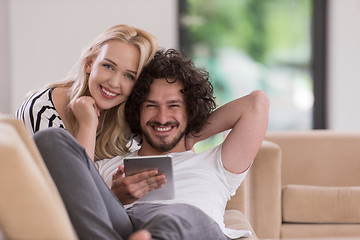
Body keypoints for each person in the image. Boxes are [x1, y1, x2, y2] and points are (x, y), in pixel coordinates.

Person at [34, 48, 269, 239]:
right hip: (123, 227)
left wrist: (192, 134)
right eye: (151, 105)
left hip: (189, 229)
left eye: (174, 106)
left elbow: (256, 104)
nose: (162, 117)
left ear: (191, 111)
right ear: (137, 110)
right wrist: (115, 198)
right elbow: (73, 201)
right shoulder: (109, 166)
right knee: (50, 139)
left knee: (178, 216)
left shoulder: (216, 165)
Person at [16, 24, 158, 161]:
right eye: (108, 66)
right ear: (89, 64)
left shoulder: (128, 113)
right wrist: (87, 126)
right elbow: (72, 183)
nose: (114, 83)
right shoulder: (41, 110)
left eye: (129, 76)